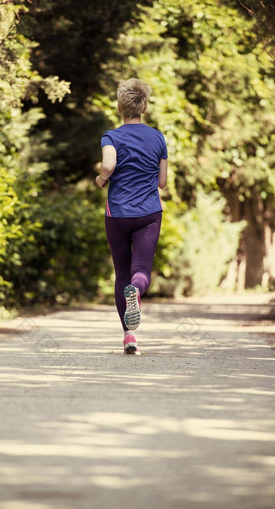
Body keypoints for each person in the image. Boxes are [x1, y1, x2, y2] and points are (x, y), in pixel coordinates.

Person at [95, 78, 168, 355]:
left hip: (118, 215)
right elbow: (162, 182)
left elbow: (109, 164)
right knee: (141, 272)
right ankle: (137, 292)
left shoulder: (111, 136)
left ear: (119, 106)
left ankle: (129, 337)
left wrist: (102, 179)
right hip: (149, 214)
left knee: (121, 273)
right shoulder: (158, 137)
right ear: (144, 106)